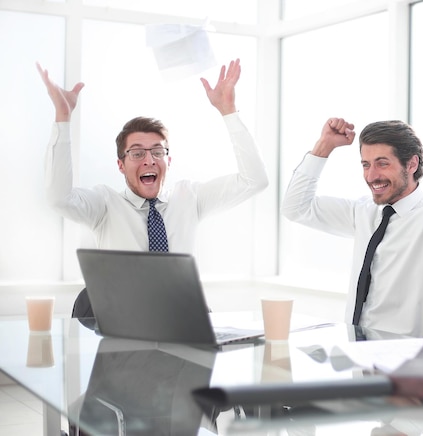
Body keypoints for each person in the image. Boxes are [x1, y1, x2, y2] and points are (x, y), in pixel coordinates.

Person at [38, 58, 269, 317]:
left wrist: (229, 111)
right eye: (136, 153)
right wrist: (63, 117)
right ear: (121, 165)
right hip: (123, 328)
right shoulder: (104, 205)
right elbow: (59, 198)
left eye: (157, 152)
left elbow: (255, 180)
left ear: (168, 161)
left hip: (181, 321)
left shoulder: (190, 198)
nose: (149, 159)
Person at [281, 117, 423, 337]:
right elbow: (295, 208)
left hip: (403, 358)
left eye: (382, 163)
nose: (371, 176)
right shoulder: (364, 211)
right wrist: (325, 145)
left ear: (412, 164)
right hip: (356, 353)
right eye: (366, 164)